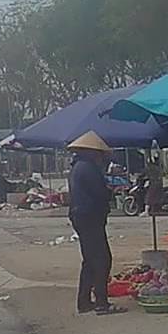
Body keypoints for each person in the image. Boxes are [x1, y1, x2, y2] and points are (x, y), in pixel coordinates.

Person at [67, 131, 125, 315]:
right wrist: (111, 192)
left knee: (90, 260)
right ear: (93, 152)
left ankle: (84, 301)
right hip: (90, 216)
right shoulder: (88, 168)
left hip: (81, 216)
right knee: (102, 259)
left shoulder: (78, 166)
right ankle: (101, 302)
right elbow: (99, 193)